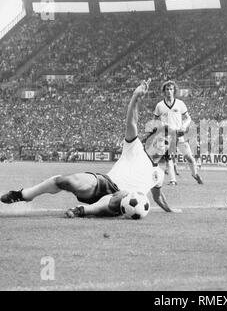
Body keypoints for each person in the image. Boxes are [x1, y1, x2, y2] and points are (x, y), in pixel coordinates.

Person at [1, 79, 181, 217]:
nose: (161, 143)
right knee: (65, 182)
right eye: (159, 138)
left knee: (123, 195)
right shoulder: (136, 148)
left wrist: (170, 210)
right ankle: (25, 194)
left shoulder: (158, 175)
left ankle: (83, 211)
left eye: (166, 142)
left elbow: (158, 197)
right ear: (151, 140)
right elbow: (131, 122)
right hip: (105, 182)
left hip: (122, 200)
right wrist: (135, 97)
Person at [153, 80, 203, 185]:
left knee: (190, 158)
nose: (169, 91)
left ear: (174, 90)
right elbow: (155, 120)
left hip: (180, 136)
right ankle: (173, 180)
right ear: (164, 91)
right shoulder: (159, 105)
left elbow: (188, 118)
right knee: (169, 158)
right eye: (167, 89)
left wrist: (184, 127)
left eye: (171, 89)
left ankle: (195, 174)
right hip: (167, 136)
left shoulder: (180, 104)